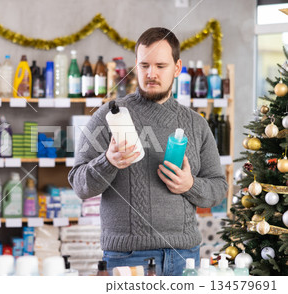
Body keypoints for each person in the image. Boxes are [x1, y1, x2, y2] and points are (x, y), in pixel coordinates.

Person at [68, 27, 228, 276]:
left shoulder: (197, 124)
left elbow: (218, 189)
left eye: (160, 66)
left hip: (184, 257)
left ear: (177, 68)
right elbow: (79, 184)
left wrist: (190, 185)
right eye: (144, 66)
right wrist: (108, 161)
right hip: (127, 259)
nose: (151, 74)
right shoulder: (109, 116)